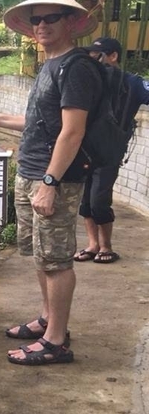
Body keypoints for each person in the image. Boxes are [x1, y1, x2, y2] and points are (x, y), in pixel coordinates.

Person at [0, 0, 100, 366]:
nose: (41, 25)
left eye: (50, 18)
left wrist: (50, 182)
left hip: (51, 179)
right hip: (30, 172)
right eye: (36, 19)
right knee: (41, 255)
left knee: (57, 259)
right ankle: (47, 319)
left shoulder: (76, 67)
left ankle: (57, 341)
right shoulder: (50, 64)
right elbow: (41, 123)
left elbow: (72, 131)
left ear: (71, 22)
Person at [73, 36, 149, 265]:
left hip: (110, 152)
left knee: (98, 201)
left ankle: (107, 246)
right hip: (84, 149)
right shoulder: (89, 81)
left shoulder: (132, 83)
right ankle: (93, 245)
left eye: (98, 55)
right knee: (85, 202)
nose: (93, 60)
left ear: (113, 56)